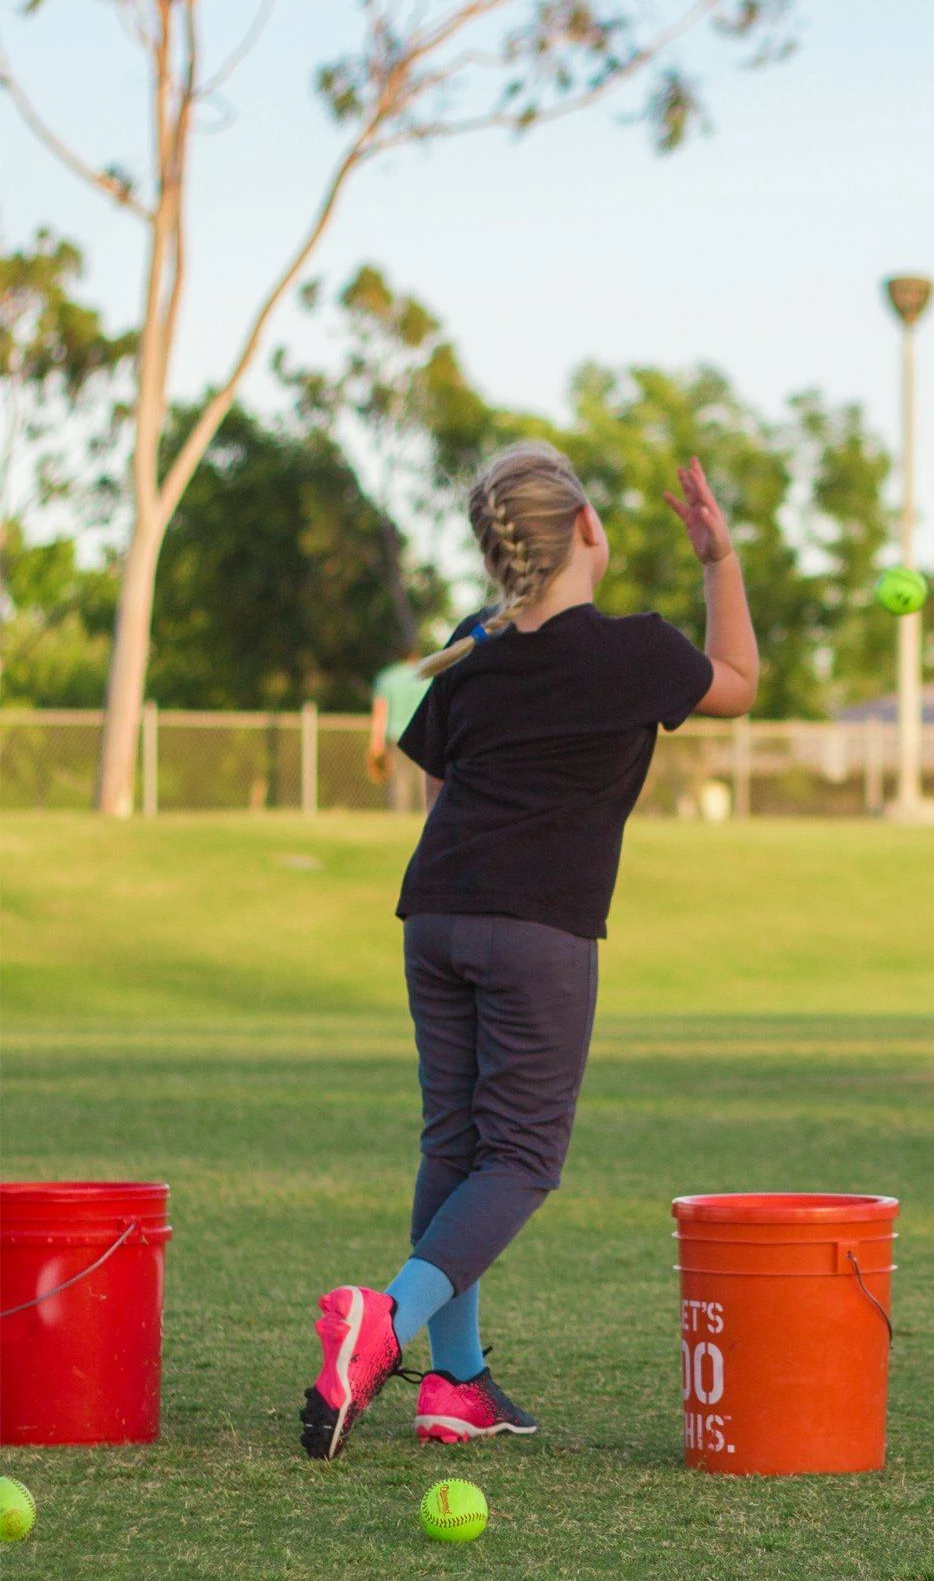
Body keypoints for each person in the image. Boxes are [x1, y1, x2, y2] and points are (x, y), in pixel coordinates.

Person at [299, 439, 757, 1459]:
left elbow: (440, 786)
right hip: (537, 930)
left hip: (436, 912)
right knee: (519, 1159)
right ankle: (388, 1319)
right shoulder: (635, 650)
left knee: (454, 1147)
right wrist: (717, 560)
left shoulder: (471, 647)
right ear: (588, 528)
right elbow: (737, 682)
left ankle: (456, 1384)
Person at [367, 643, 434, 811]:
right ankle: (425, 815)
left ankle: (399, 815)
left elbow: (380, 712)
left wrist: (376, 744)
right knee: (424, 779)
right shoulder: (428, 676)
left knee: (399, 780)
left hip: (396, 736)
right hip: (423, 735)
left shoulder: (387, 678)